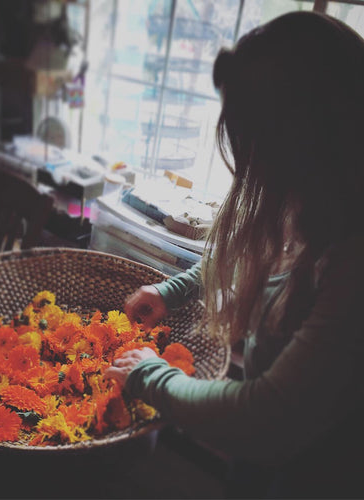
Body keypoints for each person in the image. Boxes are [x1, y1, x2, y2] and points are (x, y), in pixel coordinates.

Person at [105, 11, 364, 499]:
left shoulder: (354, 262)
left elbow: (268, 419)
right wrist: (174, 289)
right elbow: (257, 251)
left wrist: (149, 374)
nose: (252, 171)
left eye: (257, 149)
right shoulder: (313, 199)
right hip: (268, 461)